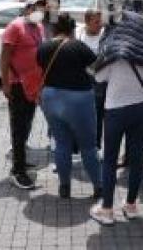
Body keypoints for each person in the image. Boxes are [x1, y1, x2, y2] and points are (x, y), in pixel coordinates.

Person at [89, 10, 143, 226]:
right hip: (139, 110)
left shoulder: (113, 54)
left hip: (115, 110)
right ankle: (131, 205)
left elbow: (98, 76)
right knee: (136, 158)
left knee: (110, 160)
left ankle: (107, 210)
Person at [37, 14, 102, 199]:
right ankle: (98, 187)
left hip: (50, 97)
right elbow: (96, 68)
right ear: (72, 29)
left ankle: (64, 187)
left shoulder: (43, 47)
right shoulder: (78, 46)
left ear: (53, 29)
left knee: (62, 143)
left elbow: (42, 67)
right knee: (88, 146)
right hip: (78, 98)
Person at [0, 0, 46, 190]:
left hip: (33, 84)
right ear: (28, 8)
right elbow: (4, 58)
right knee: (18, 127)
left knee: (26, 124)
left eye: (42, 8)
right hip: (17, 84)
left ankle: (22, 161)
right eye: (36, 8)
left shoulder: (39, 27)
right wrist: (5, 84)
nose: (40, 11)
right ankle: (18, 171)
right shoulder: (14, 27)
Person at [77, 9, 106, 148]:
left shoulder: (105, 35)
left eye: (100, 21)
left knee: (97, 114)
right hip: (81, 80)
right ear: (87, 22)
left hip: (99, 81)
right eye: (96, 22)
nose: (100, 24)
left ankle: (96, 145)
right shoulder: (79, 34)